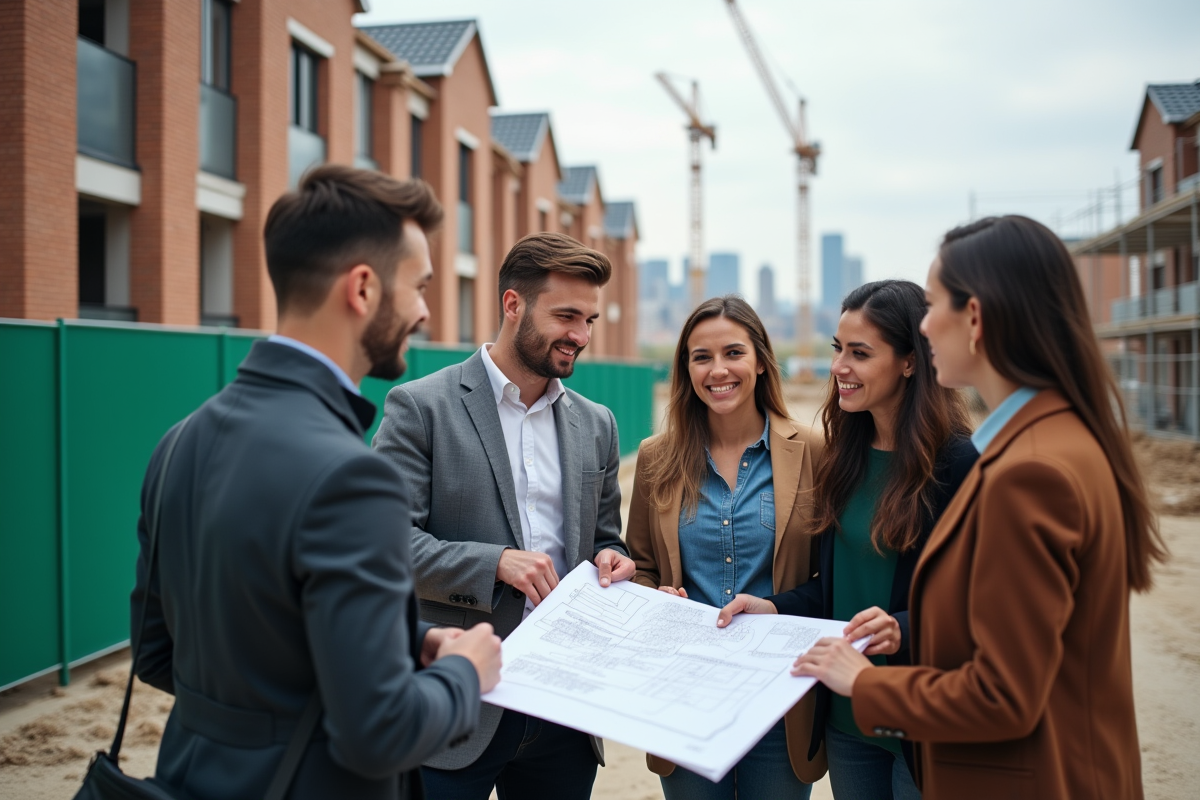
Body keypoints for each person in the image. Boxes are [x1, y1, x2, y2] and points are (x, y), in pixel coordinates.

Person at [130, 166, 502, 800]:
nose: (424, 311)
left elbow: (157, 654)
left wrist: (410, 642)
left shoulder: (178, 441)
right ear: (362, 288)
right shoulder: (353, 477)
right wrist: (465, 673)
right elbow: (379, 732)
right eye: (418, 286)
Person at [790, 215, 1168, 800]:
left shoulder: (1028, 471)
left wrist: (865, 685)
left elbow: (1003, 693)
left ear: (975, 318)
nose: (925, 324)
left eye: (935, 303)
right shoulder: (1053, 441)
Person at [372, 231, 636, 800]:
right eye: (566, 316)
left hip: (564, 710)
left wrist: (613, 559)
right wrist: (495, 563)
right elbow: (381, 546)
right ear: (513, 304)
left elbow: (604, 540)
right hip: (455, 706)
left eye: (589, 319)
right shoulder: (420, 407)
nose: (581, 335)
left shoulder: (598, 424)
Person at [716, 280, 977, 799]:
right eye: (838, 349)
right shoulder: (844, 455)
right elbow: (841, 590)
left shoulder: (959, 464)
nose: (839, 367)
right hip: (845, 718)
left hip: (921, 714)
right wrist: (773, 606)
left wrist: (903, 627)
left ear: (910, 362)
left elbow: (981, 601)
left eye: (860, 353)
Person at [624, 295, 824, 799]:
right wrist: (654, 599)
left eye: (733, 353)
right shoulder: (655, 458)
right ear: (686, 369)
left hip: (779, 697)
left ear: (760, 361)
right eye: (701, 357)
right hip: (682, 697)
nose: (718, 370)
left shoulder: (815, 451)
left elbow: (830, 577)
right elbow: (641, 566)